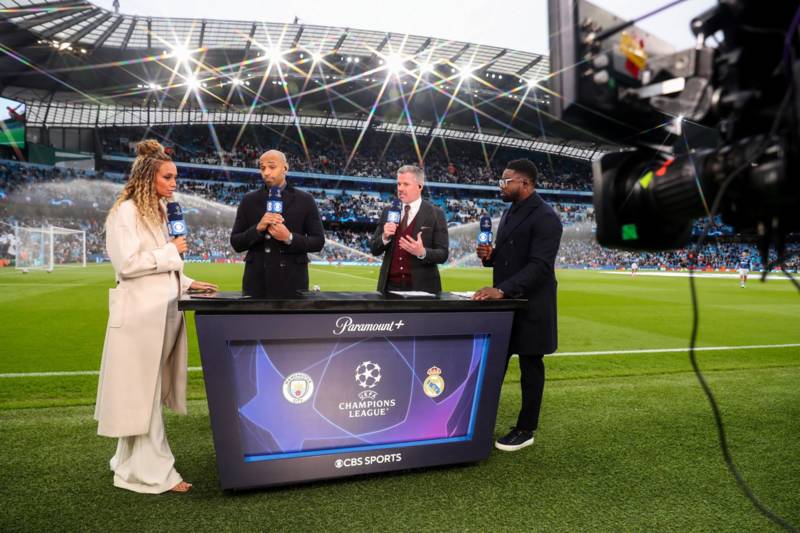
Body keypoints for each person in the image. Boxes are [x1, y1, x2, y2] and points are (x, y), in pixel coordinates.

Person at [95, 139, 217, 493]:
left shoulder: (160, 213)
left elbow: (162, 266)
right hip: (139, 320)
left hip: (161, 314)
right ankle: (155, 473)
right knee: (145, 394)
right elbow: (128, 264)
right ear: (149, 179)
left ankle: (128, 463)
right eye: (168, 177)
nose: (174, 183)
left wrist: (190, 282)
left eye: (174, 176)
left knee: (146, 392)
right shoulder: (126, 212)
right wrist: (170, 252)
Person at [473, 159, 563, 452]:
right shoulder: (510, 212)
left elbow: (539, 266)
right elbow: (511, 257)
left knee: (530, 365)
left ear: (524, 183)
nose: (501, 185)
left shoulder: (547, 217)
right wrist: (490, 257)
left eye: (506, 180)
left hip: (532, 306)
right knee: (494, 363)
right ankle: (480, 421)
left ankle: (526, 429)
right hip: (508, 304)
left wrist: (501, 289)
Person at [230, 150, 324, 297]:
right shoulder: (249, 200)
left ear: (285, 168)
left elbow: (318, 242)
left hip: (292, 283)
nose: (266, 172)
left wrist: (289, 238)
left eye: (272, 167)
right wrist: (258, 228)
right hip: (257, 283)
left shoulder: (305, 200)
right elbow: (236, 242)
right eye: (262, 168)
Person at [369, 165, 448, 293]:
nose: (400, 188)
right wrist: (384, 237)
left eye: (406, 184)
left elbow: (443, 254)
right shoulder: (388, 211)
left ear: (419, 186)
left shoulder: (436, 213)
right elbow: (373, 249)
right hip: (389, 289)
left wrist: (422, 252)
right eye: (399, 184)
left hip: (423, 289)